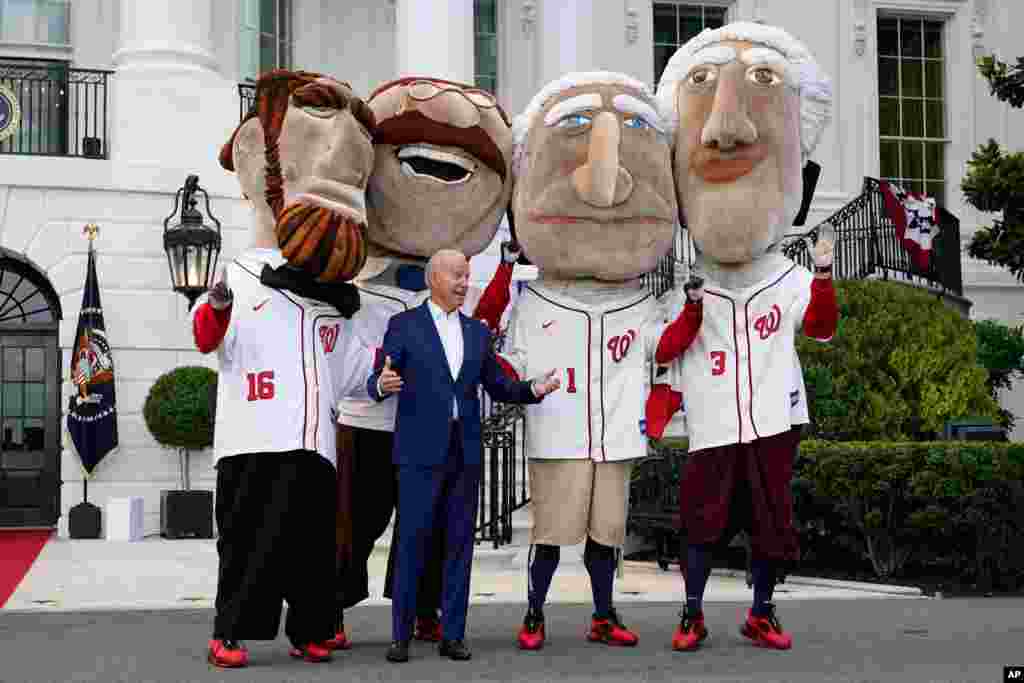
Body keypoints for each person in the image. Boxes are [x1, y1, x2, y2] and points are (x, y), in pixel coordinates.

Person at [476, 71, 678, 651]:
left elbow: (663, 351)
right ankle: (535, 612)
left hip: (615, 434)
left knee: (605, 536)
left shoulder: (640, 299)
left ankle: (603, 612)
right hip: (558, 433)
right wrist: (508, 267)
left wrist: (689, 309)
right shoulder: (532, 293)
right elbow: (495, 338)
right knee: (549, 535)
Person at [652, 23, 839, 651]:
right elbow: (666, 347)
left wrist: (826, 274)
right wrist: (694, 309)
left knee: (770, 526)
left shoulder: (787, 276)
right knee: (700, 526)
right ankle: (692, 611)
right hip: (710, 421)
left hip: (769, 420)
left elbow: (820, 328)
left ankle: (762, 610)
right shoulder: (683, 280)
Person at [195, 69, 377, 669]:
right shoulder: (238, 273)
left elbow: (350, 368)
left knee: (311, 548)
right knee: (247, 544)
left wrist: (380, 379)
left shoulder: (337, 292)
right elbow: (205, 336)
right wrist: (218, 307)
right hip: (253, 435)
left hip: (316, 440)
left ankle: (311, 629)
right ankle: (231, 631)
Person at [333, 76, 519, 648]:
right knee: (353, 525)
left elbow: (482, 328)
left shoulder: (449, 282)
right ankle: (331, 610)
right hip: (367, 420)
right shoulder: (350, 270)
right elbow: (340, 344)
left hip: (429, 427)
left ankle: (423, 610)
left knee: (433, 528)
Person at [367, 248, 560, 663]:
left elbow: (497, 385)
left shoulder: (475, 332)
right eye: (456, 274)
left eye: (466, 275)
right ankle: (400, 636)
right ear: (433, 278)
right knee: (412, 545)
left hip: (464, 453)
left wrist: (531, 390)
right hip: (418, 453)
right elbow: (377, 378)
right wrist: (381, 384)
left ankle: (453, 634)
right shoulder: (403, 326)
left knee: (459, 546)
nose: (462, 282)